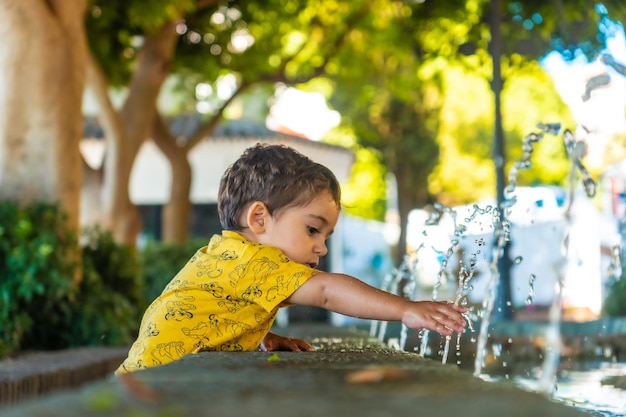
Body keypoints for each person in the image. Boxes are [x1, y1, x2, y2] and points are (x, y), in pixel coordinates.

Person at [115, 143, 467, 374]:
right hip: (156, 388)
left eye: (326, 236)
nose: (322, 248)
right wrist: (406, 309)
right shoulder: (251, 261)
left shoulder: (231, 256)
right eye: (313, 230)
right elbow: (327, 291)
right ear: (259, 219)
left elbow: (216, 312)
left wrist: (262, 335)